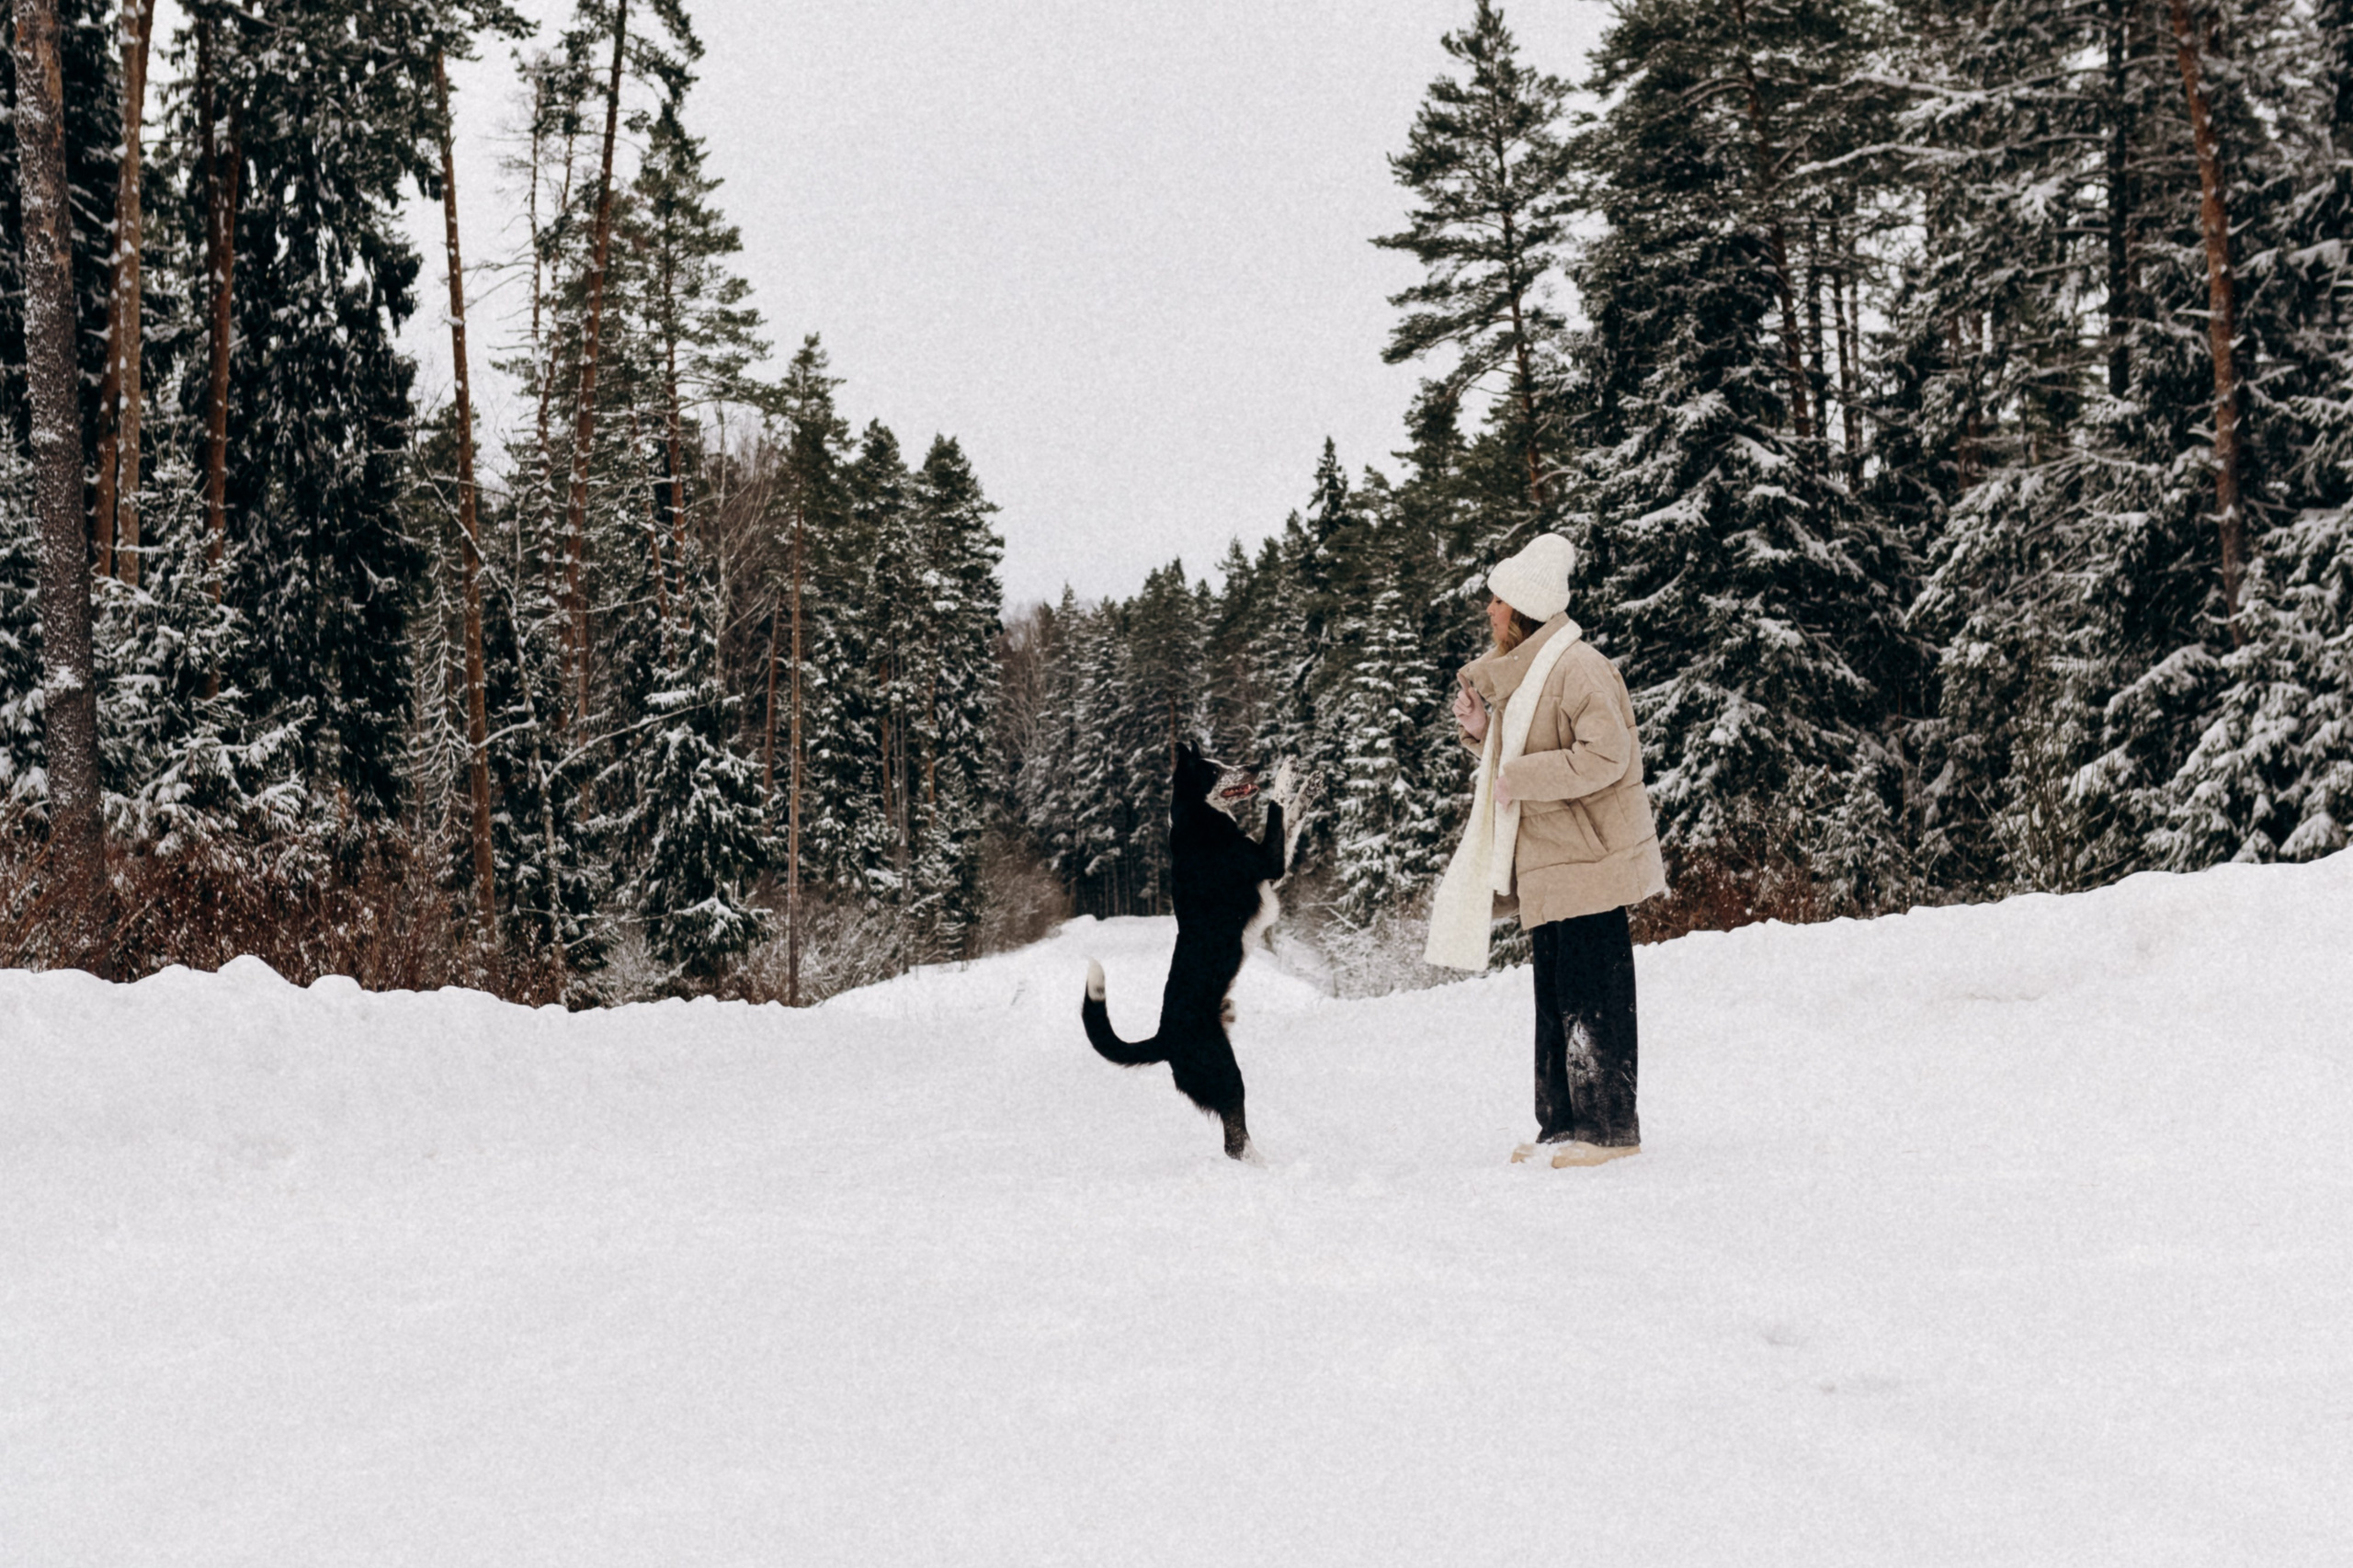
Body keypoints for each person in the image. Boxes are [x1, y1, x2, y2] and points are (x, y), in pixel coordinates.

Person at [1427, 533, 1667, 1167]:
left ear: (1525, 608)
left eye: (1498, 600)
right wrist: (1484, 733)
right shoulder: (1535, 672)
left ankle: (1612, 1131)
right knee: (1557, 1002)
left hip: (1589, 862)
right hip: (1552, 864)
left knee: (1595, 1002)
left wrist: (1520, 774)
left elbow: (1606, 756)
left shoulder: (1577, 666)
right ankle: (1562, 1128)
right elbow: (1520, 757)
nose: (1489, 609)